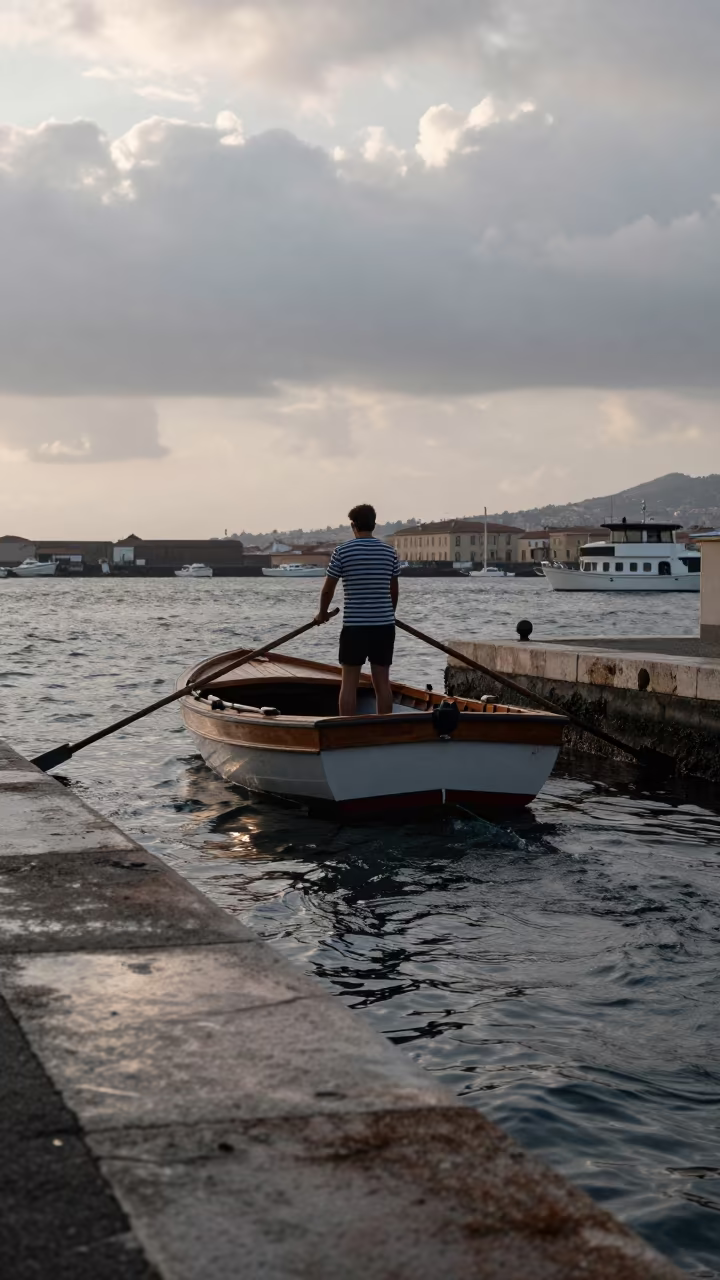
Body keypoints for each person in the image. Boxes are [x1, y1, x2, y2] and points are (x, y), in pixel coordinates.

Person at [315, 503, 400, 715]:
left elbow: (328, 590)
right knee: (382, 683)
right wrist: (390, 614)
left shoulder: (342, 552)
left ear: (353, 525)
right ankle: (385, 727)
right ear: (374, 524)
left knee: (349, 684)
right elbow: (394, 591)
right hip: (384, 626)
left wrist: (322, 613)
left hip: (355, 627)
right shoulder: (390, 552)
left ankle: (346, 730)